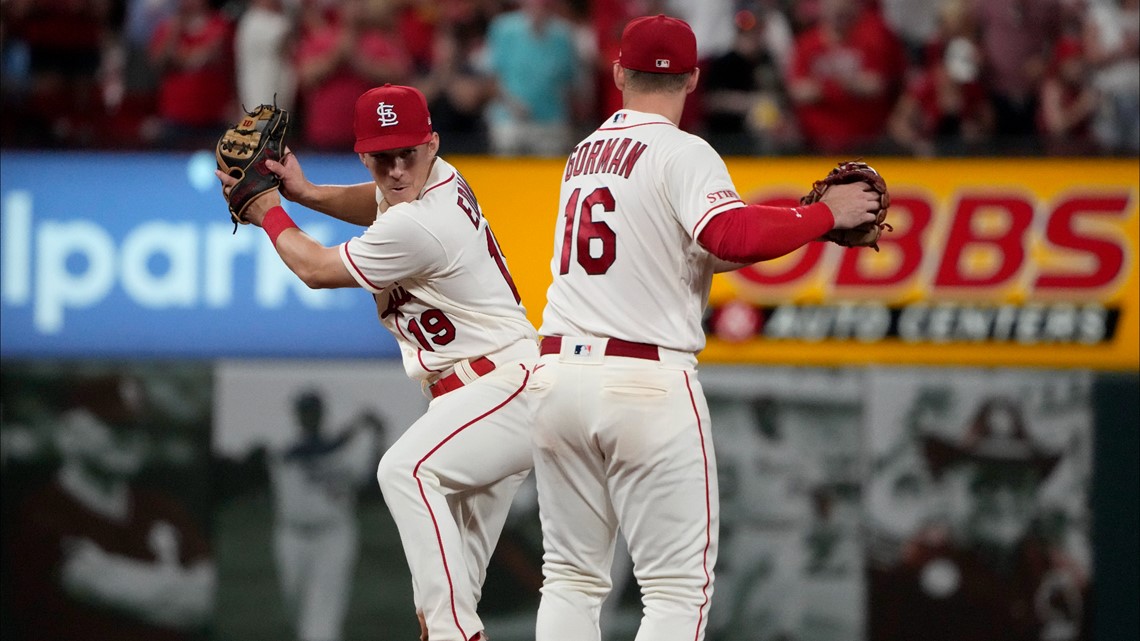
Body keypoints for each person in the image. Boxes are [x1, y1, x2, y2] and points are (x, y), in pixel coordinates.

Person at [526, 14, 881, 641]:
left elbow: (697, 246)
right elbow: (727, 232)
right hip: (644, 381)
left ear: (617, 73)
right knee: (675, 589)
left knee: (572, 579)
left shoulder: (583, 154)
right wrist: (821, 212)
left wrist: (810, 222)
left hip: (557, 375)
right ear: (693, 78)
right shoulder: (684, 151)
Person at [215, 83, 537, 641]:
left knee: (405, 470)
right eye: (380, 156)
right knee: (453, 594)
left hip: (502, 388)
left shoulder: (421, 224)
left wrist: (267, 208)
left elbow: (314, 268)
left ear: (432, 143)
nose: (394, 170)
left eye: (406, 153)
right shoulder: (434, 180)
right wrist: (309, 194)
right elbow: (379, 201)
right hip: (478, 397)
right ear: (363, 154)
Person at [6, 376, 215, 641]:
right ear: (68, 432)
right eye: (113, 425)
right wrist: (183, 588)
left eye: (137, 428)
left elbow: (213, 600)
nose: (130, 438)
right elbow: (101, 590)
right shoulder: (38, 514)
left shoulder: (163, 509)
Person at [868, 397, 1090, 641]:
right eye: (984, 484)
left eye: (1018, 484)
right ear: (946, 492)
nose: (1003, 501)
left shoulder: (1063, 581)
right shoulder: (907, 579)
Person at [268, 389, 382, 641]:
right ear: (297, 416)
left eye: (313, 411)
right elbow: (312, 451)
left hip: (334, 535)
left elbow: (371, 483)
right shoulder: (284, 447)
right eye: (304, 412)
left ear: (321, 414)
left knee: (323, 610)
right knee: (295, 603)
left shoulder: (342, 451)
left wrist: (377, 437)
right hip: (292, 536)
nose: (308, 417)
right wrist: (358, 425)